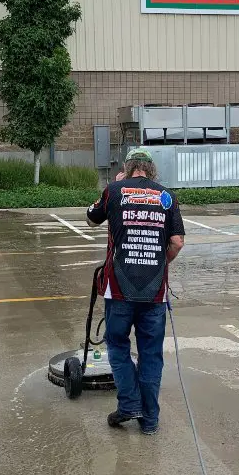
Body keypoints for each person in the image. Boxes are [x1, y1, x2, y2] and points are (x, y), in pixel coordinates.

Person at [86, 147, 185, 435]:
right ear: (151, 169)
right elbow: (176, 242)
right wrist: (157, 263)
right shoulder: (167, 197)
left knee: (117, 346)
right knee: (151, 354)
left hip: (119, 289)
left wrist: (115, 187)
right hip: (154, 292)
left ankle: (129, 404)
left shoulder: (114, 190)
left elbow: (92, 218)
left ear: (128, 167)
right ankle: (150, 420)